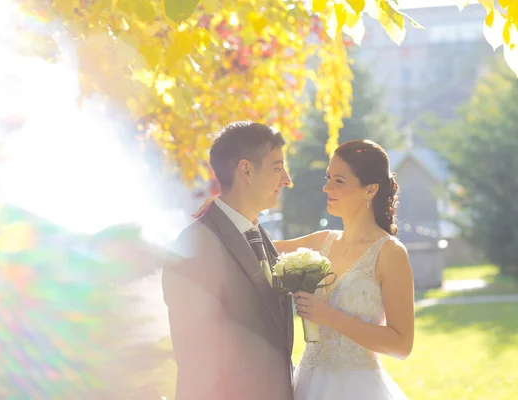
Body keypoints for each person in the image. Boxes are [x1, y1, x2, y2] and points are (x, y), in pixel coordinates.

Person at [194, 139, 415, 399]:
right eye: (328, 177)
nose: (326, 187)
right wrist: (219, 215)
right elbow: (249, 248)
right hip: (307, 386)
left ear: (370, 190)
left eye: (339, 181)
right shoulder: (321, 242)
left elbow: (401, 345)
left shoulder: (390, 253)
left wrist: (329, 316)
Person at [162, 121, 295, 400]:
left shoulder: (262, 238)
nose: (286, 179)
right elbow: (197, 361)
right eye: (277, 167)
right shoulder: (196, 246)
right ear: (246, 169)